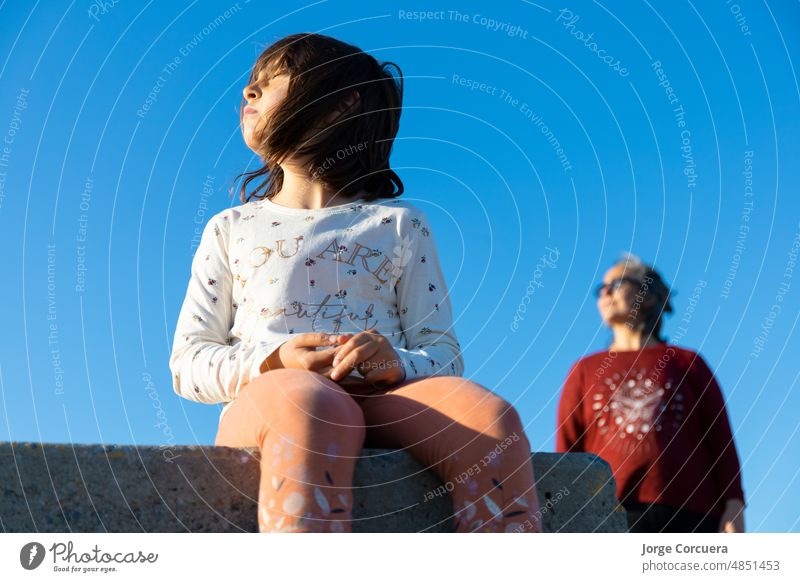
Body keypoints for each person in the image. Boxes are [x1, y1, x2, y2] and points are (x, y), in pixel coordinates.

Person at [169, 33, 541, 533]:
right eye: (248, 86)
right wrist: (274, 362)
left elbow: (444, 354)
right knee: (314, 405)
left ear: (336, 107)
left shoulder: (400, 225)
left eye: (268, 83)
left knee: (489, 419)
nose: (247, 94)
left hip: (387, 402)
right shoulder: (230, 228)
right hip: (277, 403)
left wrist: (394, 364)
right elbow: (188, 363)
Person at [556, 253, 746, 533]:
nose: (606, 292)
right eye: (601, 289)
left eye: (617, 283)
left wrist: (734, 503)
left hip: (693, 513)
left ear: (650, 296)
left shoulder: (686, 362)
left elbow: (720, 440)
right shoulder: (584, 370)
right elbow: (567, 451)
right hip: (610, 513)